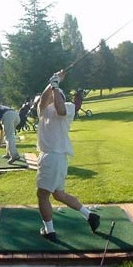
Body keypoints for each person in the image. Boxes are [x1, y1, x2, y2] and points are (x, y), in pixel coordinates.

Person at [36, 70, 100, 243]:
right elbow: (43, 100)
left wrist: (56, 86)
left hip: (53, 159)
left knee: (42, 196)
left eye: (55, 94)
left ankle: (50, 232)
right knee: (58, 194)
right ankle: (90, 216)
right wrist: (52, 83)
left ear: (60, 95)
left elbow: (61, 109)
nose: (50, 97)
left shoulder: (69, 108)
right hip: (55, 159)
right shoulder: (43, 110)